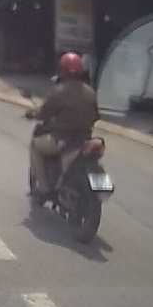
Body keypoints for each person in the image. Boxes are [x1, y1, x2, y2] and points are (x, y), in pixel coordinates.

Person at [27, 51, 99, 198]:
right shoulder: (91, 92)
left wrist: (32, 113)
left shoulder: (59, 91)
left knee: (35, 146)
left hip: (63, 140)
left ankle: (44, 188)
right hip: (84, 140)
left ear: (63, 70)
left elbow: (43, 113)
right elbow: (96, 116)